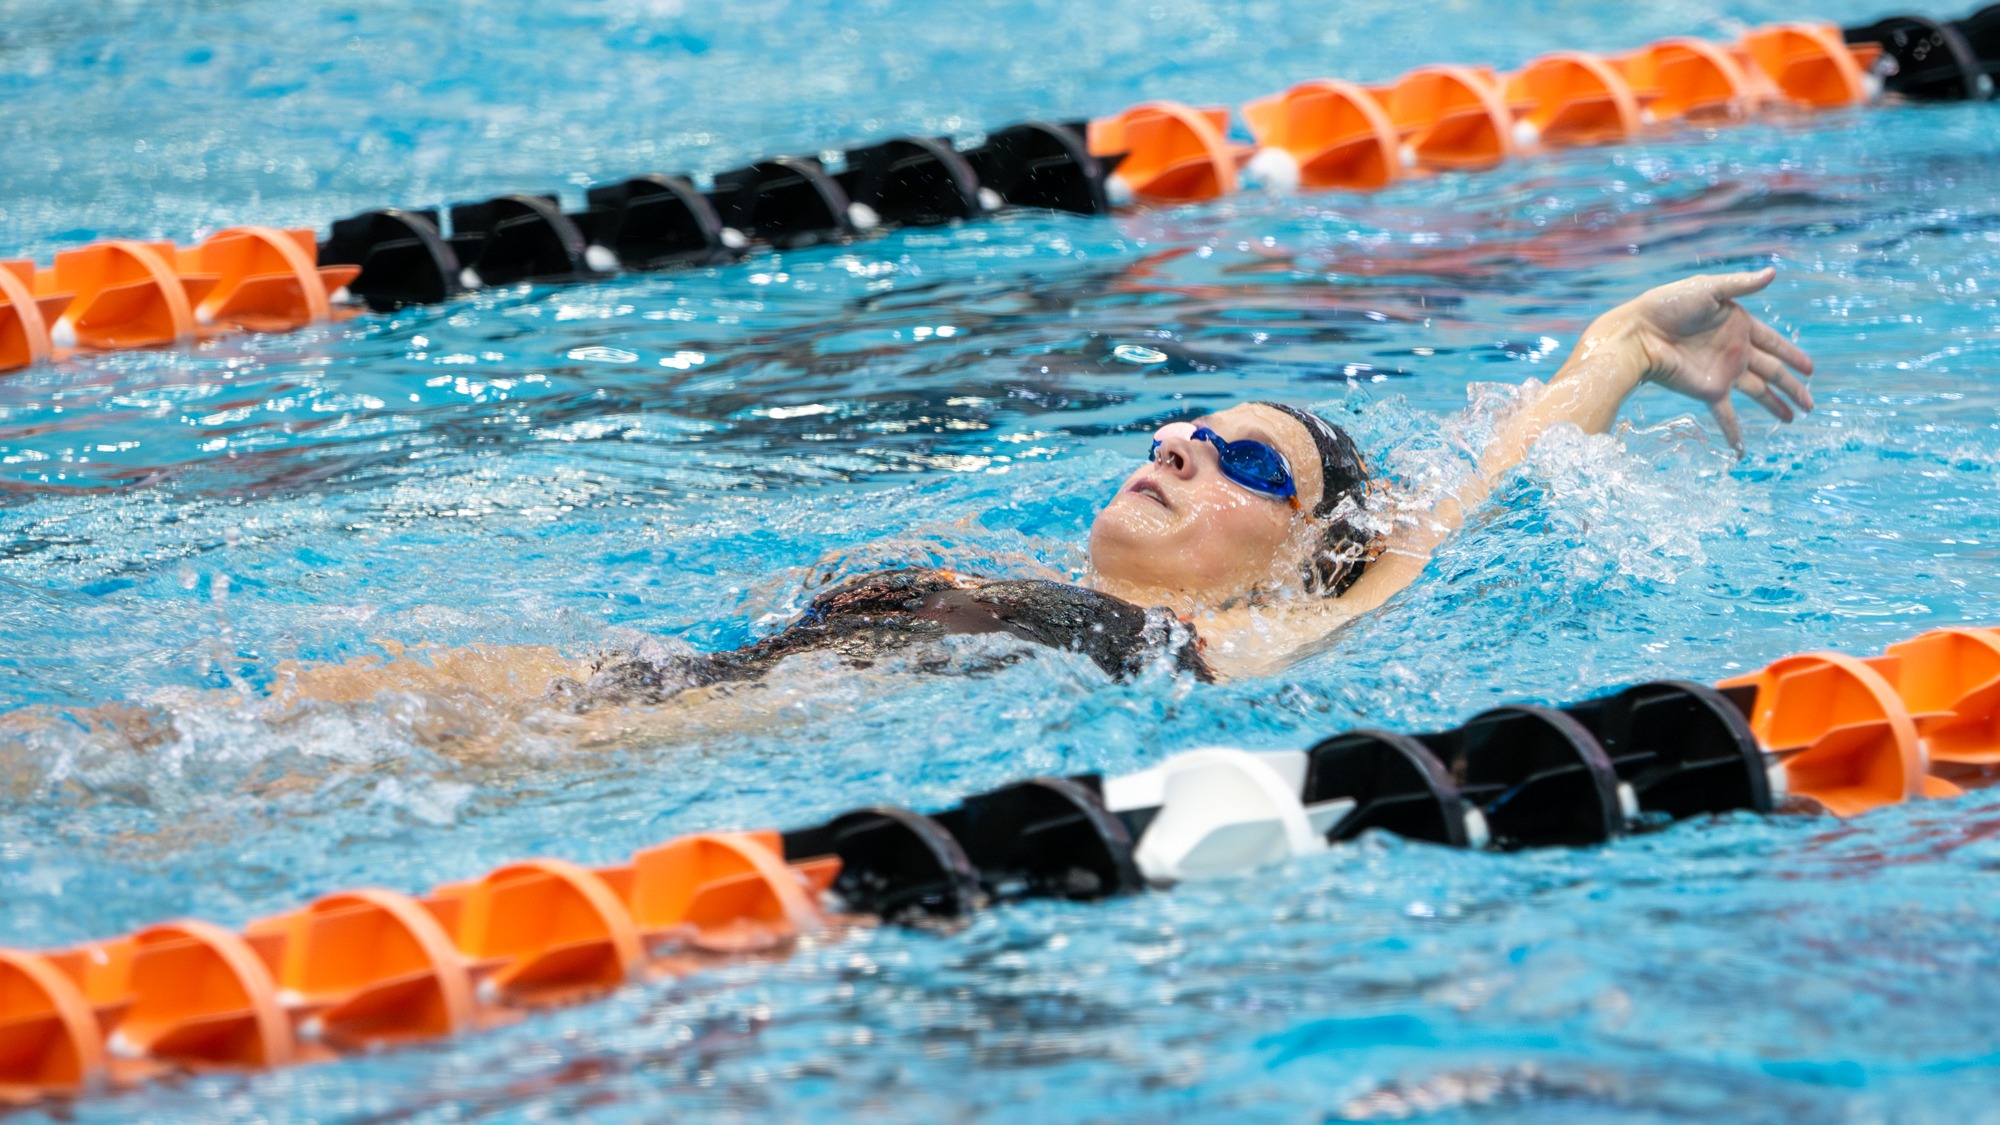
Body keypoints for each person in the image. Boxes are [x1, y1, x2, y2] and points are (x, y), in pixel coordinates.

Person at [30, 269, 1819, 744]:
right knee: (196, 725)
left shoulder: (1277, 624)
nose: (1190, 446)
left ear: (1304, 551)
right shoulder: (1071, 583)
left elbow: (1485, 485)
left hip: (675, 747)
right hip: (678, 682)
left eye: (1247, 463)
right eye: (1190, 424)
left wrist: (1618, 336)